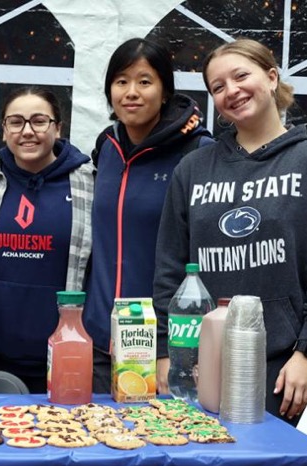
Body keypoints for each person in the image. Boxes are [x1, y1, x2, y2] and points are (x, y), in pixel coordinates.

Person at [153, 38, 307, 466]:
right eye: (217, 87)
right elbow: (170, 270)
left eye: (240, 77)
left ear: (271, 77)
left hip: (277, 354)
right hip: (197, 354)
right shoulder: (194, 171)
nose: (230, 92)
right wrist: (163, 351)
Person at [82, 37, 213, 394]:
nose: (131, 92)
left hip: (162, 344)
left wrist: (174, 345)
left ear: (165, 90)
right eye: (121, 81)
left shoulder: (197, 152)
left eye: (144, 81)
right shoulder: (106, 147)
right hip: (99, 338)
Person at [0, 87, 94, 393]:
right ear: (4, 129)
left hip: (63, 355)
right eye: (15, 122)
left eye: (39, 121)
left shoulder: (90, 184)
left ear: (58, 127)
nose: (27, 132)